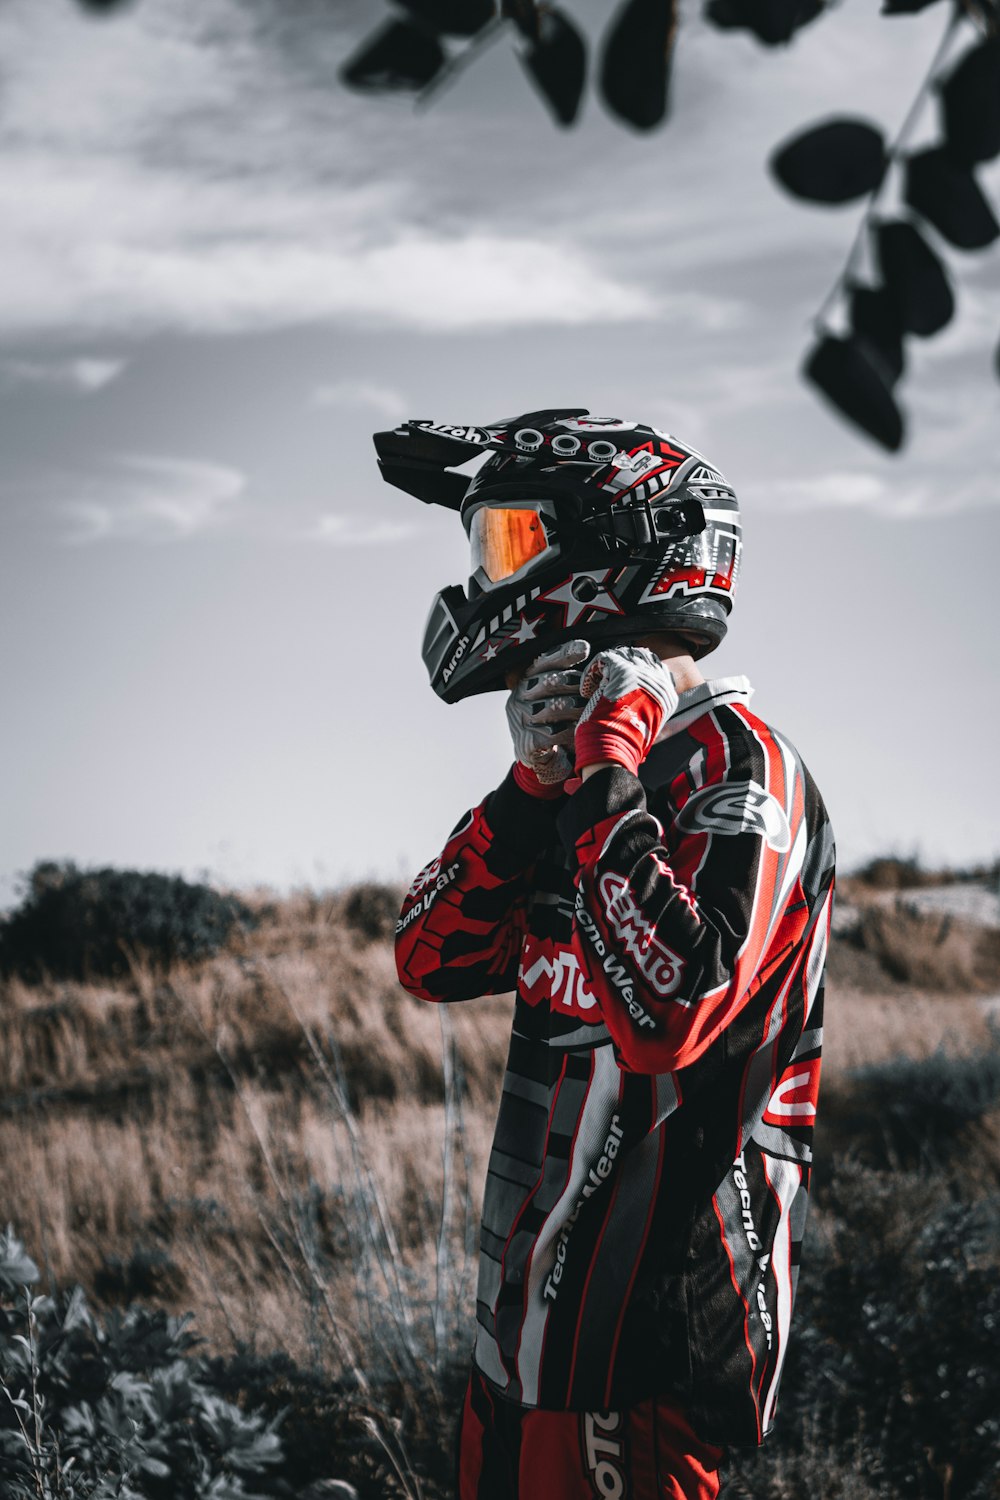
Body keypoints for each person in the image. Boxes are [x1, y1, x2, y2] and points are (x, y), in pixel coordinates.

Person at [374, 410, 835, 1500]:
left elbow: (671, 1013)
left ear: (618, 544)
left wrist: (606, 772)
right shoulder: (574, 772)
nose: (491, 577)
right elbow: (427, 959)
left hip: (651, 1338)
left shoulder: (744, 769)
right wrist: (532, 789)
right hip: (524, 1330)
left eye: (511, 543)